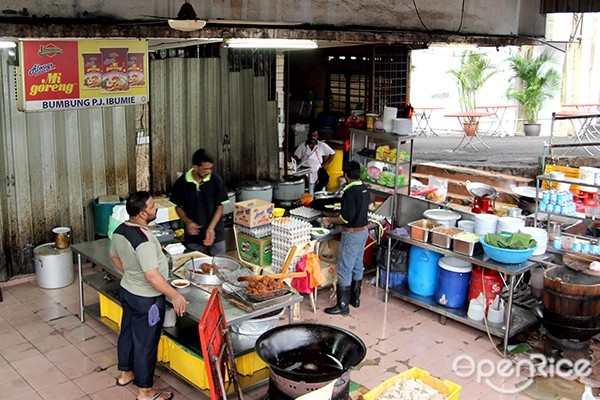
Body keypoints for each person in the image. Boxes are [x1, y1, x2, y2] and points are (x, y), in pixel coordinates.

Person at [110, 191, 188, 400]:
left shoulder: (119, 230)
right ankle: (145, 391)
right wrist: (175, 296)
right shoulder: (142, 240)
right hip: (147, 300)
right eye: (153, 206)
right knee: (146, 342)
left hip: (128, 291)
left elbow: (113, 256)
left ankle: (126, 374)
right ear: (143, 212)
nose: (156, 208)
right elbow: (152, 277)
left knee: (127, 332)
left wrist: (130, 274)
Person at [321, 161, 370, 315]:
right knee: (357, 265)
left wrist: (329, 220)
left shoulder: (350, 192)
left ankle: (342, 305)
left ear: (346, 175)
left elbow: (345, 218)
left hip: (352, 233)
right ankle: (355, 299)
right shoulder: (364, 189)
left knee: (344, 269)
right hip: (363, 232)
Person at [171, 149, 229, 256]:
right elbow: (178, 207)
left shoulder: (216, 180)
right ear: (195, 167)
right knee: (195, 264)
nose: (209, 171)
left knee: (220, 264)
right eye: (205, 169)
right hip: (194, 234)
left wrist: (211, 229)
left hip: (216, 231)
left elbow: (219, 207)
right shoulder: (182, 183)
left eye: (211, 168)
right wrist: (188, 222)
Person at [293, 128, 336, 194]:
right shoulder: (302, 146)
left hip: (317, 168)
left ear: (317, 136)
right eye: (311, 136)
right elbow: (296, 156)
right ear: (308, 136)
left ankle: (318, 192)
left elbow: (332, 153)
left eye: (315, 136)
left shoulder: (321, 145)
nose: (313, 137)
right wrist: (292, 160)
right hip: (305, 169)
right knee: (303, 182)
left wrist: (326, 164)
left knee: (325, 178)